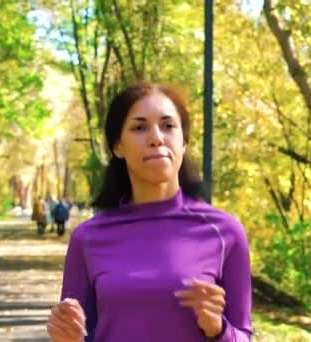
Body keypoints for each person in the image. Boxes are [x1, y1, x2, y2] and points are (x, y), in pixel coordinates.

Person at [47, 83, 252, 341]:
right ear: (117, 146)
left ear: (184, 142)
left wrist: (217, 329)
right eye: (139, 127)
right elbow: (77, 333)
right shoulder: (87, 238)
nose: (156, 138)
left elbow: (243, 334)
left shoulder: (224, 232)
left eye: (168, 126)